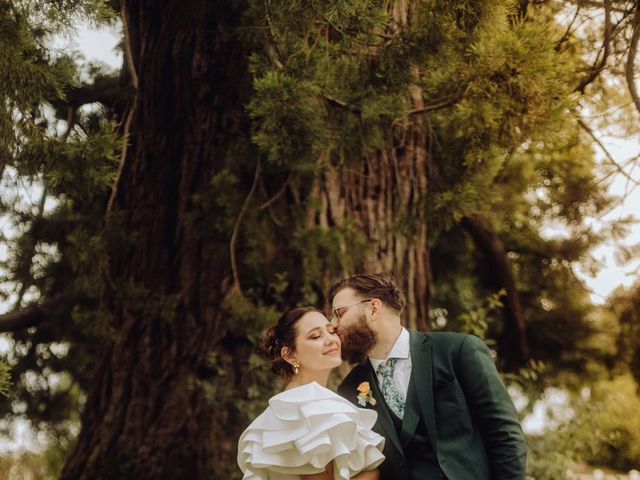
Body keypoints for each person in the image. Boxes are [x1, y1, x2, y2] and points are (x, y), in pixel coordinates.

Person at [328, 273, 528, 480]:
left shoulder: (456, 351)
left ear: (373, 308)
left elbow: (505, 435)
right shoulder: (349, 389)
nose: (333, 326)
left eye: (339, 313)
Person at [237, 307, 386, 480]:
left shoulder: (301, 406)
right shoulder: (308, 409)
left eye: (331, 331)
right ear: (290, 355)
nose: (331, 340)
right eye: (315, 336)